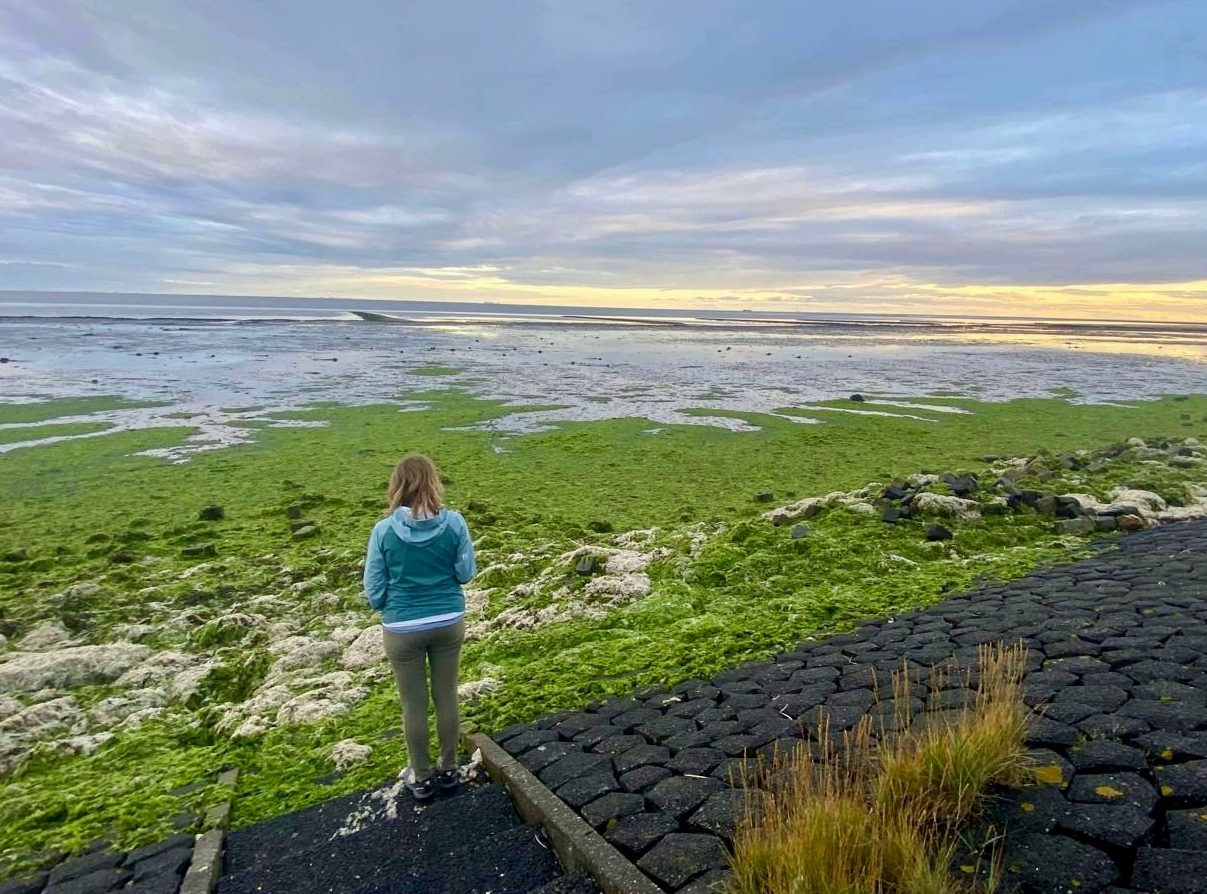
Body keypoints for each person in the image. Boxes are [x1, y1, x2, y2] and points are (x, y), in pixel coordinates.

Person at [363, 454, 476, 800]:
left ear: (397, 486)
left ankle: (422, 777)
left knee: (413, 704)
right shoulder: (455, 523)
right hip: (448, 621)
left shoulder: (383, 531)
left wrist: (392, 606)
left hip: (402, 627)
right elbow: (465, 573)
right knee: (447, 696)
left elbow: (373, 591)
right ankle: (450, 769)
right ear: (433, 482)